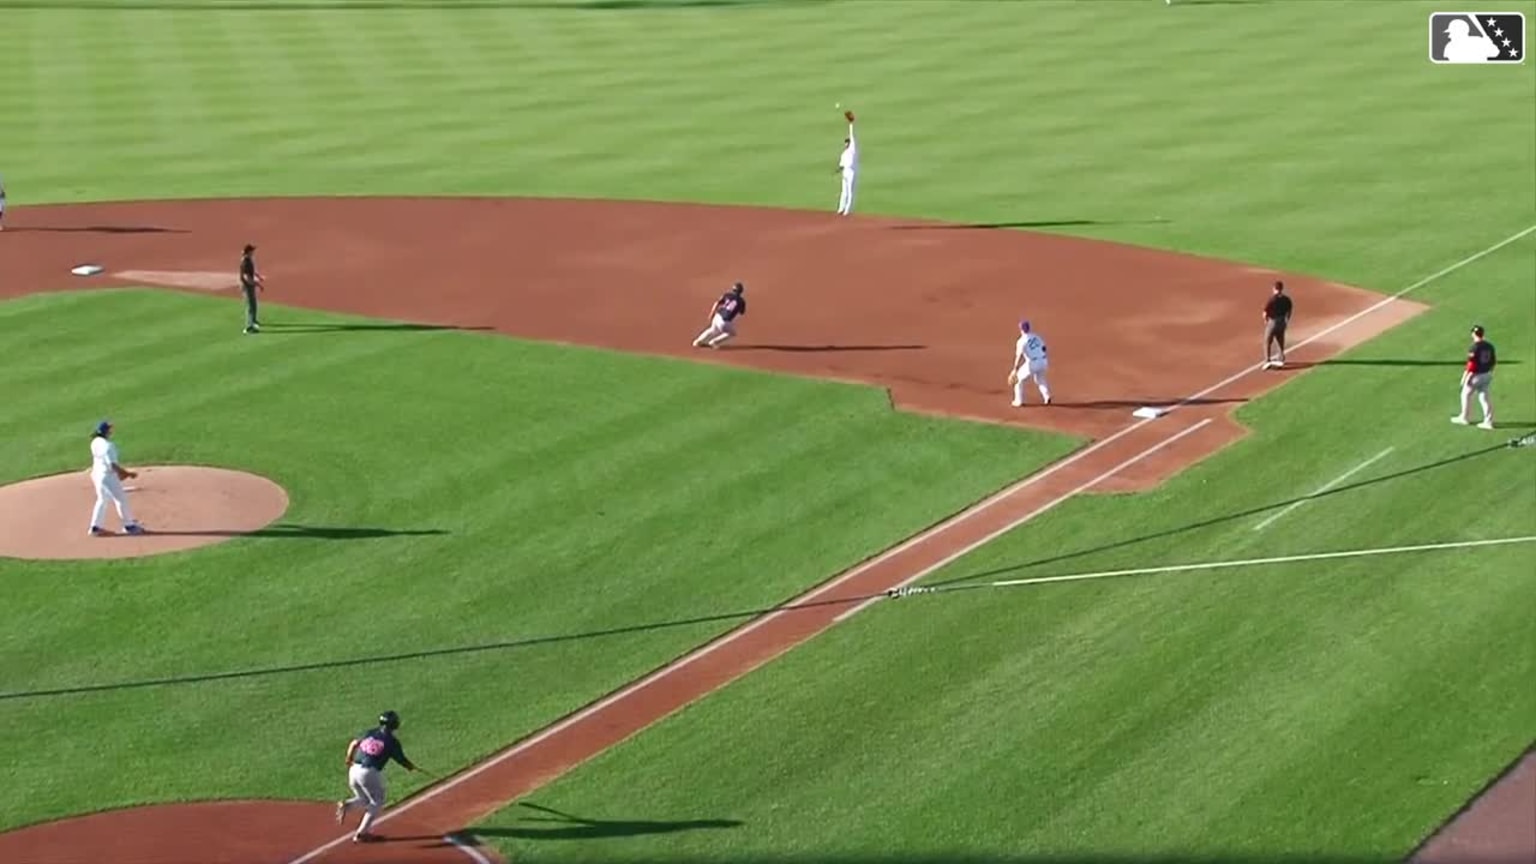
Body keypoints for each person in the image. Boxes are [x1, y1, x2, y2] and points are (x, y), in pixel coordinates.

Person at [336, 710, 419, 844]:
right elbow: (400, 759)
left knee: (363, 799)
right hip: (369, 773)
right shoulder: (392, 741)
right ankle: (361, 834)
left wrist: (348, 758)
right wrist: (410, 767)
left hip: (354, 770)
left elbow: (353, 744)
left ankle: (347, 805)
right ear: (394, 724)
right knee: (377, 801)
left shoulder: (369, 732)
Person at [88, 421, 144, 536]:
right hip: (107, 476)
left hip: (97, 475)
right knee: (121, 499)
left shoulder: (95, 442)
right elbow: (112, 465)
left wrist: (121, 474)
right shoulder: (108, 446)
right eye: (110, 429)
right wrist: (127, 473)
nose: (111, 431)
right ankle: (129, 526)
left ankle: (95, 527)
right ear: (106, 431)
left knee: (102, 500)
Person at [1452, 325, 1497, 429]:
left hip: (1476, 375)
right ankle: (1488, 421)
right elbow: (1493, 362)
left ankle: (1465, 417)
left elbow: (1471, 365)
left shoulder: (1474, 347)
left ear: (1473, 334)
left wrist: (1465, 378)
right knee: (1484, 397)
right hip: (1487, 374)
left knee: (1465, 394)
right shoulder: (1489, 345)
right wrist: (1489, 372)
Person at [1009, 319, 1052, 407]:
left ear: (1021, 329)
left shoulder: (1021, 341)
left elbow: (1019, 356)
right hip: (1044, 361)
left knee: (1018, 380)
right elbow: (1044, 348)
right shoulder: (1036, 337)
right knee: (1040, 379)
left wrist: (1015, 369)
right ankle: (1047, 396)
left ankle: (1018, 401)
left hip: (1033, 363)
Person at [692, 282, 748, 349]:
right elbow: (741, 312)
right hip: (725, 321)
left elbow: (717, 303)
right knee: (732, 334)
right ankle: (714, 342)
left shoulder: (727, 295)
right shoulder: (741, 301)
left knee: (712, 329)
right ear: (741, 291)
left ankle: (698, 341)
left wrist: (712, 313)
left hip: (717, 316)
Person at [1262, 280, 1293, 369]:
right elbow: (1289, 311)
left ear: (1274, 288)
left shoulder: (1272, 299)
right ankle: (1281, 358)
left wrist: (1265, 321)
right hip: (1282, 321)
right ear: (1282, 288)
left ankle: (1267, 360)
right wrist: (1287, 320)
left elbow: (1265, 313)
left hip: (1273, 322)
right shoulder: (1286, 299)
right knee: (1280, 339)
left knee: (1267, 341)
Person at [835, 110, 859, 216]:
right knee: (844, 191)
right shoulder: (844, 153)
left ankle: (847, 210)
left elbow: (851, 135)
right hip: (845, 172)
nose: (846, 144)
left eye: (847, 142)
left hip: (851, 172)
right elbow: (841, 165)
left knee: (850, 191)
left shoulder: (852, 149)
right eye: (845, 143)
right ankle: (841, 209)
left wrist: (851, 124)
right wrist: (838, 170)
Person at [239, 243, 264, 334]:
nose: (254, 252)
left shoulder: (249, 260)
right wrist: (258, 284)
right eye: (252, 250)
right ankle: (248, 327)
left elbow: (253, 272)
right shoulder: (245, 262)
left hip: (250, 285)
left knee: (254, 304)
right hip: (247, 286)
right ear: (249, 252)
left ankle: (253, 320)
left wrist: (258, 277)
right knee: (250, 306)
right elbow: (247, 278)